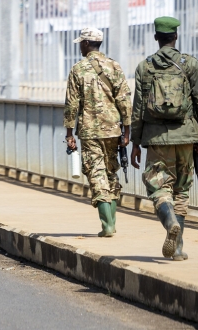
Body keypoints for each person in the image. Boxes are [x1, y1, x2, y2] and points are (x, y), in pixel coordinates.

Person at [131, 16, 198, 261]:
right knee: (181, 191)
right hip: (187, 137)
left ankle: (169, 224)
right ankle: (177, 249)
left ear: (156, 37)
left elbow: (137, 110)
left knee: (158, 188)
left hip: (156, 140)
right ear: (175, 37)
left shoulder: (144, 67)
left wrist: (135, 142)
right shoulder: (189, 64)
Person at [64, 27, 132, 237]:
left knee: (96, 173)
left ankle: (107, 226)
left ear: (86, 43)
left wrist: (69, 133)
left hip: (90, 132)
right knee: (111, 172)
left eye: (81, 44)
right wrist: (127, 131)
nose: (80, 47)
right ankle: (112, 222)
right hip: (113, 130)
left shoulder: (78, 69)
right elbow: (124, 100)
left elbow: (71, 104)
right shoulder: (114, 66)